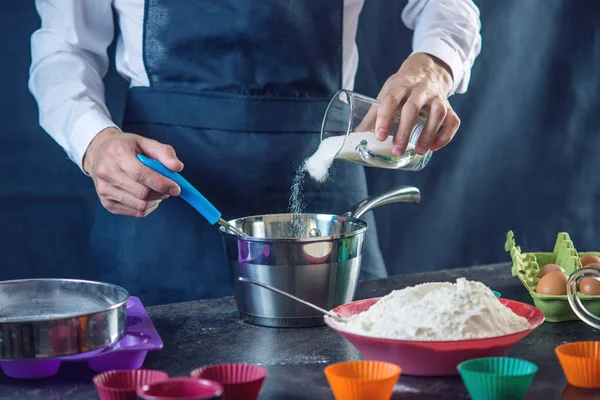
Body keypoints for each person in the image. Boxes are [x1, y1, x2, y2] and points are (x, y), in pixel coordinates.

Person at [29, 0, 481, 306]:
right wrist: (95, 141)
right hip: (163, 198)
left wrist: (433, 65)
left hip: (324, 186)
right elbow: (64, 46)